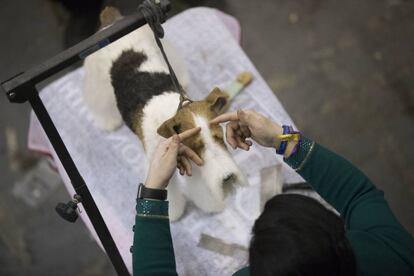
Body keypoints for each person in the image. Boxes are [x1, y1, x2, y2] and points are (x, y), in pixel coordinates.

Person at [132, 109, 414, 275]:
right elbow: (358, 196)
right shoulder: (388, 253)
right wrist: (283, 138)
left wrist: (153, 191)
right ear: (339, 238)